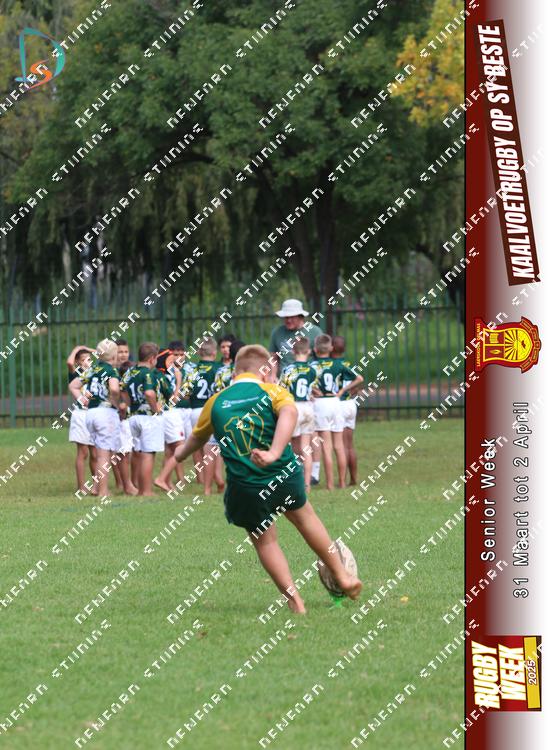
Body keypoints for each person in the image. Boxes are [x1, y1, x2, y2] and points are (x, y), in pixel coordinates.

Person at [168, 344, 362, 613]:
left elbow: (195, 440)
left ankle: (295, 603)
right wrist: (273, 453)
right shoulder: (273, 391)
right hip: (283, 475)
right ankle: (341, 575)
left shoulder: (217, 401)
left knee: (265, 541)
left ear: (234, 372)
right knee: (306, 519)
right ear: (265, 371)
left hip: (245, 486)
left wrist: (178, 455)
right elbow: (290, 413)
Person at [70, 339, 121, 498]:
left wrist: (83, 400)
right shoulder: (111, 371)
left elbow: (73, 385)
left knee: (100, 453)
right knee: (104, 454)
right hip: (105, 413)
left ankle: (95, 487)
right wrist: (116, 403)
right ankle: (103, 491)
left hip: (90, 414)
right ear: (114, 356)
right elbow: (114, 389)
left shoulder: (92, 369)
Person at [310, 334, 362, 489]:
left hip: (321, 403)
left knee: (326, 447)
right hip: (336, 402)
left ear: (315, 349)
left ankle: (330, 485)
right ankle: (342, 482)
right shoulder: (338, 364)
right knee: (339, 446)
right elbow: (359, 378)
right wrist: (342, 391)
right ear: (330, 348)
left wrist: (313, 390)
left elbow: (306, 383)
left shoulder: (311, 366)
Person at [121, 342, 163, 496]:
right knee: (148, 454)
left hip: (134, 417)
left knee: (138, 452)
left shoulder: (130, 372)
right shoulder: (148, 373)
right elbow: (149, 393)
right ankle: (146, 491)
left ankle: (140, 489)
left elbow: (122, 388)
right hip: (147, 417)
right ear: (152, 358)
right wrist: (155, 409)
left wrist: (129, 404)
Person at [183, 337, 222, 494]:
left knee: (200, 447)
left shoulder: (193, 370)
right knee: (212, 449)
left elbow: (185, 394)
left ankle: (207, 481)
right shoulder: (219, 369)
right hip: (211, 410)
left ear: (199, 352)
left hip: (195, 411)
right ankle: (211, 484)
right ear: (214, 352)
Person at [279, 337, 317, 492]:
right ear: (309, 351)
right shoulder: (312, 370)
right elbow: (312, 389)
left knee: (291, 447)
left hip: (293, 407)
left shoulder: (288, 369)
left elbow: (281, 389)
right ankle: (307, 484)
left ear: (293, 351)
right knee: (306, 447)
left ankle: (294, 481)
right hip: (308, 408)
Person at [332, 335, 361, 485]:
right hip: (351, 404)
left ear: (331, 348)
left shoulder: (332, 365)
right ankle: (354, 479)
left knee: (341, 445)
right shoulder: (348, 364)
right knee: (350, 445)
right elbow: (357, 385)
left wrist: (341, 391)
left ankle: (342, 481)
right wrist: (349, 391)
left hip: (340, 405)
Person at [67, 345, 96, 494]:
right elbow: (69, 362)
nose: (87, 362)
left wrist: (92, 351)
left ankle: (97, 485)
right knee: (83, 453)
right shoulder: (76, 373)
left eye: (89, 359)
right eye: (83, 359)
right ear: (78, 362)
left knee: (95, 453)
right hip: (81, 415)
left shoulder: (95, 373)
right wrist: (79, 348)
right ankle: (81, 487)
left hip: (94, 414)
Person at [269, 299, 323, 378]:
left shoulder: (315, 332)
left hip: (308, 378)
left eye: (292, 317)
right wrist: (273, 375)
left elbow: (322, 357)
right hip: (284, 379)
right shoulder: (277, 332)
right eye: (286, 317)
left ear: (301, 317)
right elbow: (273, 358)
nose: (288, 320)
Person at [153, 349, 184, 489]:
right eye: (171, 360)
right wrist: (179, 380)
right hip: (170, 414)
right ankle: (161, 478)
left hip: (163, 415)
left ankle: (167, 481)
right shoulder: (165, 376)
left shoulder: (156, 373)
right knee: (181, 448)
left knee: (170, 451)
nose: (174, 361)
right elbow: (173, 400)